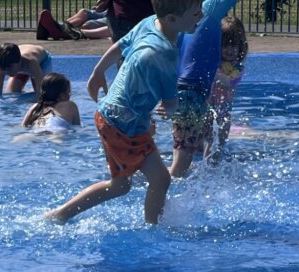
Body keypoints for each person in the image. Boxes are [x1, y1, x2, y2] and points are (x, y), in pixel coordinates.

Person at [45, 0, 204, 226]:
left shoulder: (150, 22)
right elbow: (170, 105)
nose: (202, 15)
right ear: (172, 20)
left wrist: (97, 72)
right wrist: (188, 115)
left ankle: (60, 215)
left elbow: (119, 45)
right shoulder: (166, 54)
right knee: (157, 180)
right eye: (196, 13)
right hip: (122, 124)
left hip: (112, 116)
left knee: (123, 185)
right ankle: (153, 230)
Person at [169, 0, 239, 178]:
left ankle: (162, 192)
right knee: (181, 165)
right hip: (191, 94)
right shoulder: (207, 11)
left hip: (183, 93)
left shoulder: (183, 19)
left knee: (181, 156)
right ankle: (161, 198)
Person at [205, 15, 249, 161]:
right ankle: (207, 146)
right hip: (208, 102)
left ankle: (219, 148)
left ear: (240, 46)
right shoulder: (212, 61)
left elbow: (229, 83)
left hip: (224, 103)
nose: (229, 50)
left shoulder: (237, 67)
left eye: (234, 45)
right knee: (207, 126)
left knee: (224, 124)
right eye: (225, 45)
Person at [37, 6, 111, 41]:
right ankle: (61, 27)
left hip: (118, 18)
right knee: (83, 12)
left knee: (89, 24)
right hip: (108, 11)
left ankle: (59, 32)